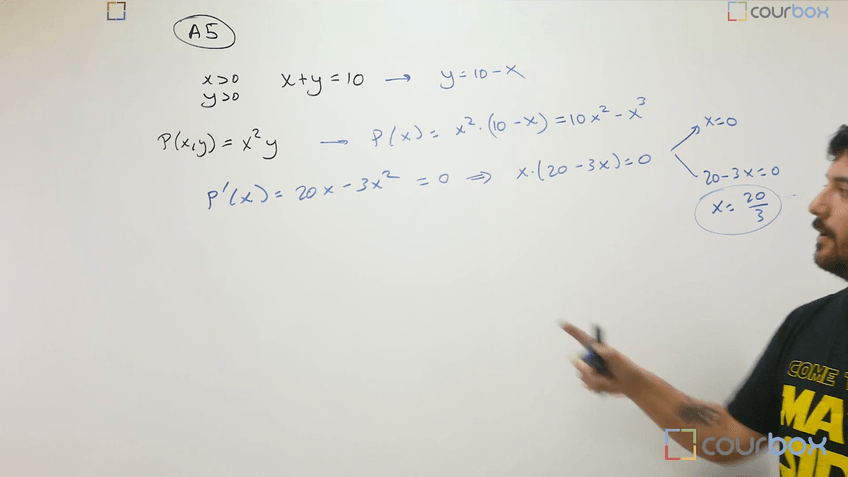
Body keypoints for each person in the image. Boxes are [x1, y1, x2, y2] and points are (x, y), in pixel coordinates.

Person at [562, 124, 848, 475]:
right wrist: (632, 381)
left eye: (843, 191)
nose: (817, 204)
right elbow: (732, 437)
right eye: (826, 185)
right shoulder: (808, 324)